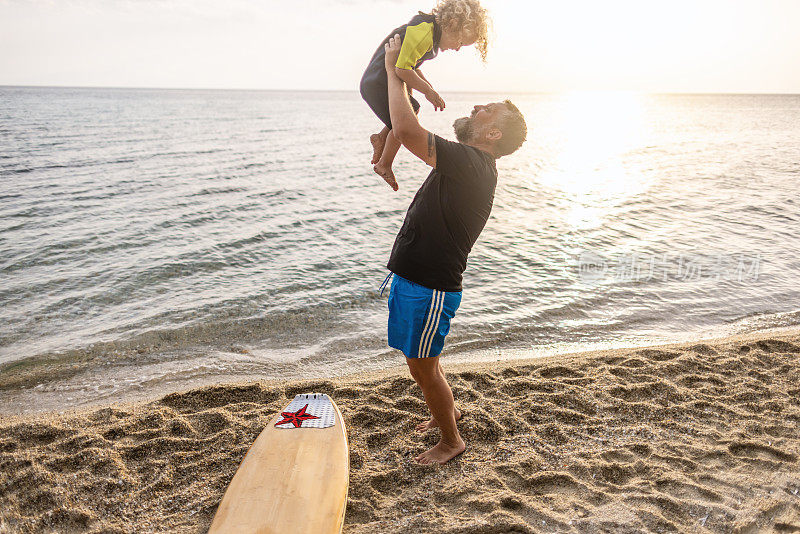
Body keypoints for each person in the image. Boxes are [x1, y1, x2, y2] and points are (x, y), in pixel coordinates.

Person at [379, 34, 527, 464]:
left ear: (493, 132)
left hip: (430, 286)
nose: (475, 109)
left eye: (486, 111)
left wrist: (394, 70)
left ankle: (451, 439)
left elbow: (406, 130)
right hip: (416, 279)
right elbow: (404, 130)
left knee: (424, 368)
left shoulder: (475, 164)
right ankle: (446, 413)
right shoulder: (467, 162)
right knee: (422, 361)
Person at [360, 0, 490, 191]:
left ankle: (380, 138)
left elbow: (411, 67)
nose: (457, 49)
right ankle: (384, 164)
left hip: (379, 80)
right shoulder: (423, 34)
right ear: (452, 23)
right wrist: (428, 91)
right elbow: (403, 70)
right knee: (410, 111)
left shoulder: (429, 33)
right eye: (460, 42)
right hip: (376, 82)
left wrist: (430, 88)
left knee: (411, 107)